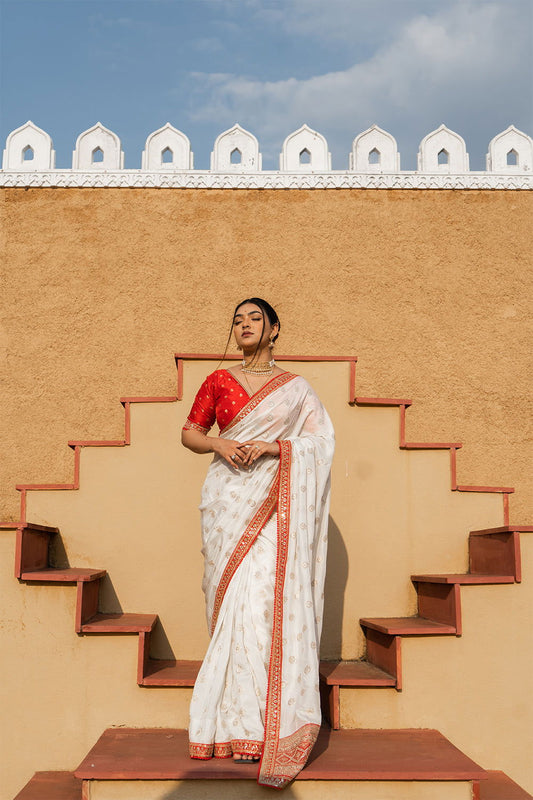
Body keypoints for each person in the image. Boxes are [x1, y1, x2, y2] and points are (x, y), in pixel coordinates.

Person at [181, 298, 335, 789]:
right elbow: (190, 433)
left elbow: (322, 442)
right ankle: (230, 726)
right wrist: (221, 444)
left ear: (273, 330)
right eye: (237, 320)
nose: (244, 326)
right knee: (231, 606)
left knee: (263, 604)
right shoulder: (217, 380)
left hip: (275, 500)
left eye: (254, 319)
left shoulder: (296, 389)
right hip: (228, 500)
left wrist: (274, 447)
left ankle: (265, 725)